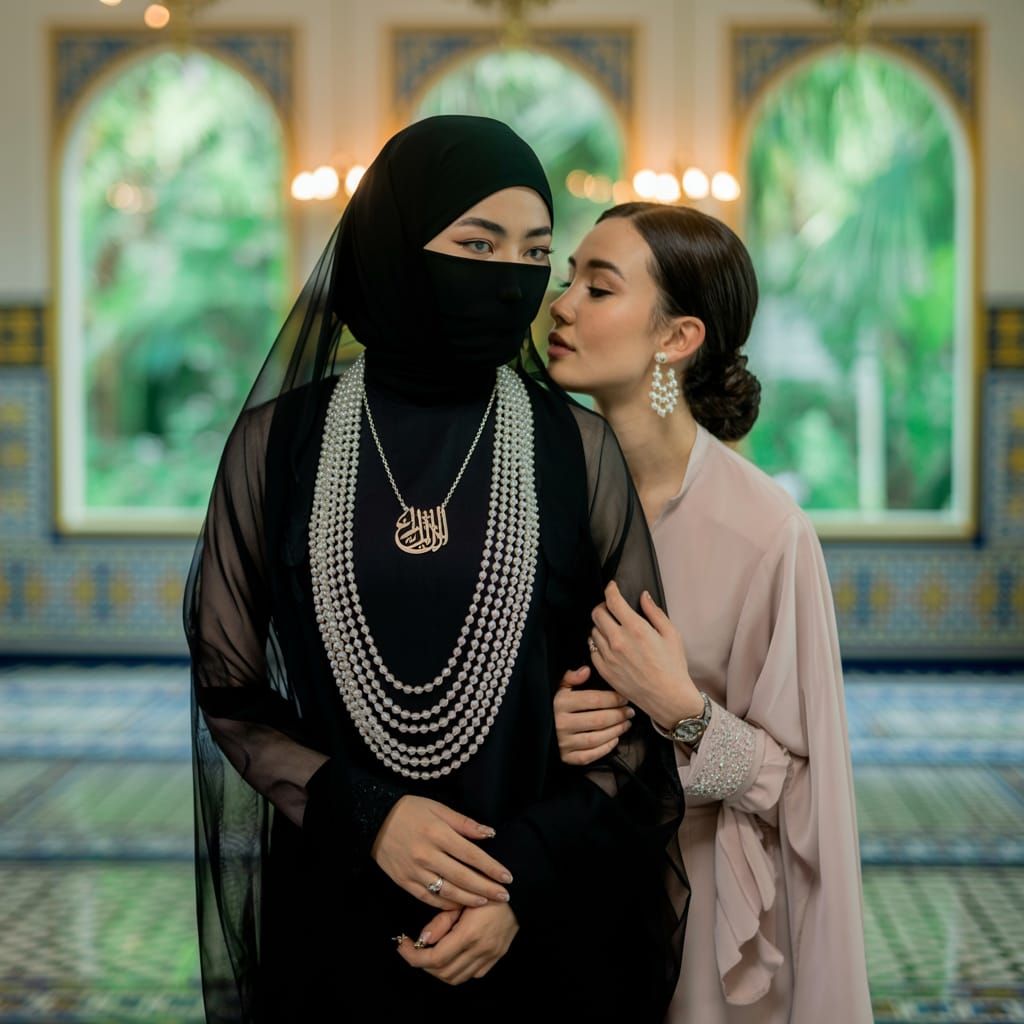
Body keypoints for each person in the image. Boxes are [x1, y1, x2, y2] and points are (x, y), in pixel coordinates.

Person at [185, 118, 686, 1023]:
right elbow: (230, 690)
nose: (512, 275)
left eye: (536, 250)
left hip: (533, 922)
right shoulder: (280, 442)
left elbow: (636, 727)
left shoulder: (575, 449)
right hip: (337, 897)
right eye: (477, 243)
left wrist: (511, 887)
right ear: (395, 242)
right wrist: (372, 816)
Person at [547, 202, 872, 1023]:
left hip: (691, 921)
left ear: (677, 337)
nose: (562, 303)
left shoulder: (766, 533)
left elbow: (801, 789)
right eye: (568, 279)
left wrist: (682, 710)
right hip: (538, 889)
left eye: (599, 286)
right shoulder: (527, 494)